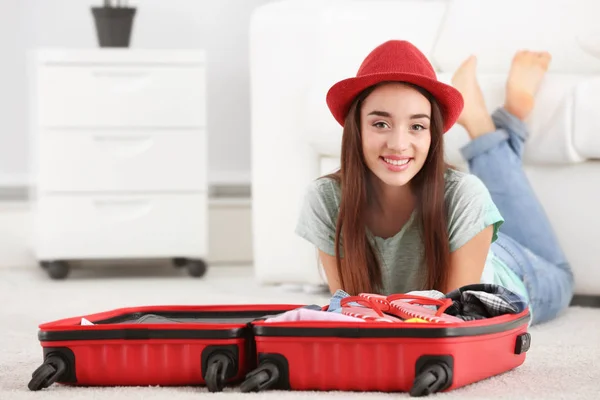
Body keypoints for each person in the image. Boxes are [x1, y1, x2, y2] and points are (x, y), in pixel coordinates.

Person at [294, 40, 574, 326]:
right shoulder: (325, 198)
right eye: (380, 124)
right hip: (468, 232)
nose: (398, 144)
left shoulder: (465, 194)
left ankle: (489, 122)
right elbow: (350, 314)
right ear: (356, 128)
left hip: (510, 271)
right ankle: (504, 120)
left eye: (417, 126)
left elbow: (451, 325)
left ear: (432, 134)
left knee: (563, 277)